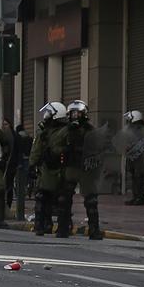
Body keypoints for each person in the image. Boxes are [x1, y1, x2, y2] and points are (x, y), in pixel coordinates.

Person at [50, 100, 101, 239]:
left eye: (78, 113)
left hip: (86, 168)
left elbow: (99, 147)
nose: (75, 116)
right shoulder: (66, 130)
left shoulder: (90, 130)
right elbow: (54, 146)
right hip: (71, 166)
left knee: (91, 200)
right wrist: (66, 150)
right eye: (73, 113)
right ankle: (63, 228)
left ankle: (94, 230)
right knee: (64, 199)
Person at [29, 102, 67, 236]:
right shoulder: (64, 131)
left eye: (49, 113)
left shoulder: (46, 132)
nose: (46, 116)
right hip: (59, 169)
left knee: (43, 198)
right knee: (59, 199)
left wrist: (32, 165)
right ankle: (59, 227)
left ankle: (43, 225)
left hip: (52, 169)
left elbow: (36, 151)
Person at [122, 110, 144, 205]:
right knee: (134, 177)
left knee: (138, 177)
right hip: (132, 156)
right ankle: (136, 196)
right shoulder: (132, 128)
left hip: (139, 157)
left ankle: (139, 197)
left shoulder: (141, 129)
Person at [11, 121, 32, 220]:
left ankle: (23, 189)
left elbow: (16, 150)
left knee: (19, 179)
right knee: (28, 175)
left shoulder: (17, 137)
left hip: (20, 160)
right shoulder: (29, 137)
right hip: (29, 158)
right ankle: (28, 185)